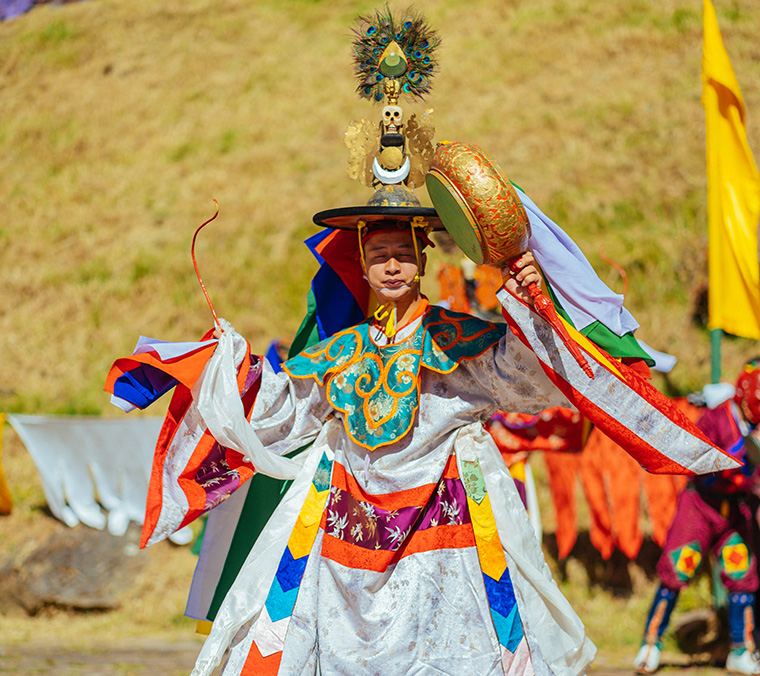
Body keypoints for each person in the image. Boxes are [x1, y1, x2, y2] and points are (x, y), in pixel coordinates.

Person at [634, 359, 760, 675]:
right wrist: (740, 470)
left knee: (742, 573)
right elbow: (697, 461)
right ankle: (651, 645)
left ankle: (741, 650)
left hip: (734, 511)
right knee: (677, 570)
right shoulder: (717, 418)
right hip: (701, 507)